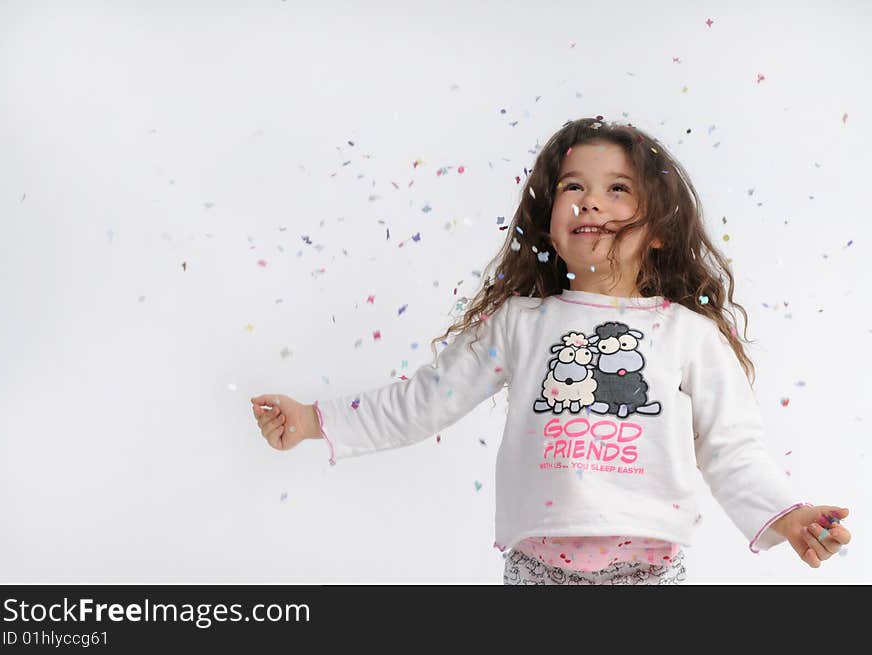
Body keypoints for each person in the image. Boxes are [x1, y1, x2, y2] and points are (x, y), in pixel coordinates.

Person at [250, 116, 851, 585]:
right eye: (574, 187)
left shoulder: (688, 335)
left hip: (650, 571)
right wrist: (314, 421)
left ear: (660, 226)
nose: (591, 202)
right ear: (549, 221)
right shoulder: (519, 324)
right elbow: (427, 400)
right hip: (537, 568)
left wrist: (788, 515)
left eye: (618, 190)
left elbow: (732, 448)